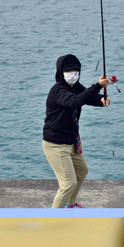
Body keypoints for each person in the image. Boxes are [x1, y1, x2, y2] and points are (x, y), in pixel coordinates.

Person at [43, 54, 110, 208]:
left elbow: (87, 97)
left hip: (72, 141)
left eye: (76, 71)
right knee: (67, 184)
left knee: (82, 172)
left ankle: (70, 205)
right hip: (56, 144)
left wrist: (101, 100)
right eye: (69, 71)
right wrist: (98, 85)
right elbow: (75, 101)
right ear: (61, 72)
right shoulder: (57, 91)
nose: (73, 75)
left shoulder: (76, 87)